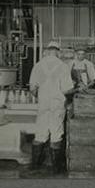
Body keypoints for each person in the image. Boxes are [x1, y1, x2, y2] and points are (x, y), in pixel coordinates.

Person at [29, 41, 77, 174]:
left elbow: (32, 88)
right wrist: (76, 89)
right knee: (56, 133)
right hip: (56, 105)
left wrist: (41, 96)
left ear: (47, 50)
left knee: (40, 132)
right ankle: (56, 169)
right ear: (58, 51)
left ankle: (35, 166)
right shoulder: (62, 66)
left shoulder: (38, 66)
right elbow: (67, 90)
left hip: (43, 104)